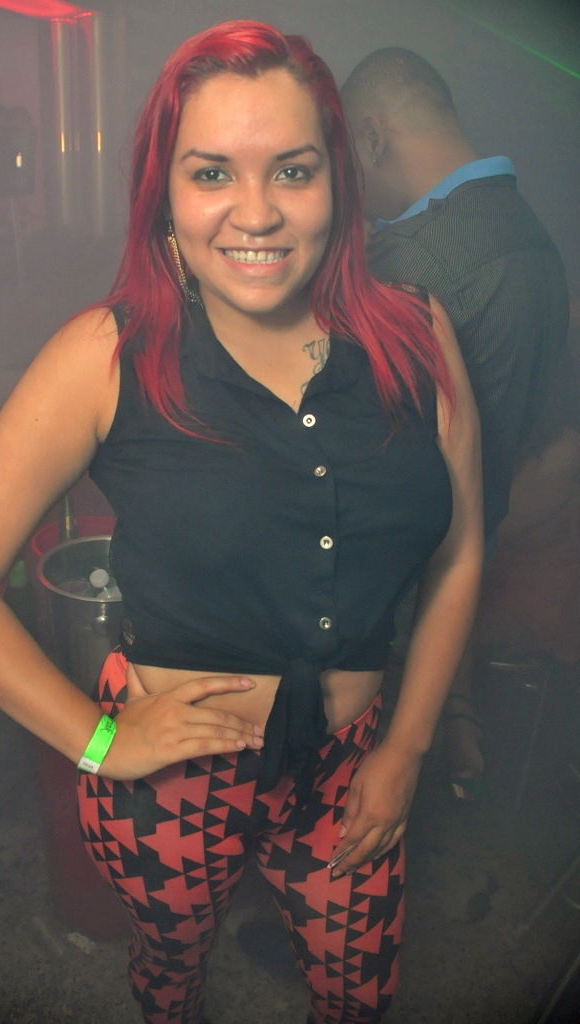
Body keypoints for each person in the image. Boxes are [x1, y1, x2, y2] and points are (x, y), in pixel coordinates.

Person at [0, 22, 482, 1024]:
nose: (255, 212)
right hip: (172, 777)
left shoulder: (417, 334)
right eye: (211, 172)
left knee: (360, 994)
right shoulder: (107, 353)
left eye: (292, 170)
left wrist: (407, 748)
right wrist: (99, 741)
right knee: (171, 979)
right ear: (163, 193)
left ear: (337, 180)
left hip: (351, 760)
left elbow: (460, 551)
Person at [341, 48, 569, 799]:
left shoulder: (414, 262)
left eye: (347, 157)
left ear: (372, 136)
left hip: (397, 599)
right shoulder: (533, 234)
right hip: (473, 553)